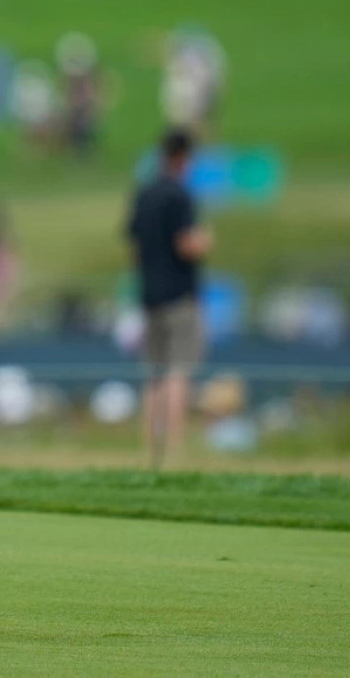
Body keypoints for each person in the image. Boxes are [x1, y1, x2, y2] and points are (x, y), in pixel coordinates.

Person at [126, 128, 214, 468]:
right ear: (183, 157)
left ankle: (150, 448)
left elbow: (134, 246)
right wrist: (205, 241)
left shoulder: (144, 193)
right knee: (178, 372)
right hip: (178, 295)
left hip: (149, 295)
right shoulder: (180, 195)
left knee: (153, 375)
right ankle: (175, 450)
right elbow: (186, 245)